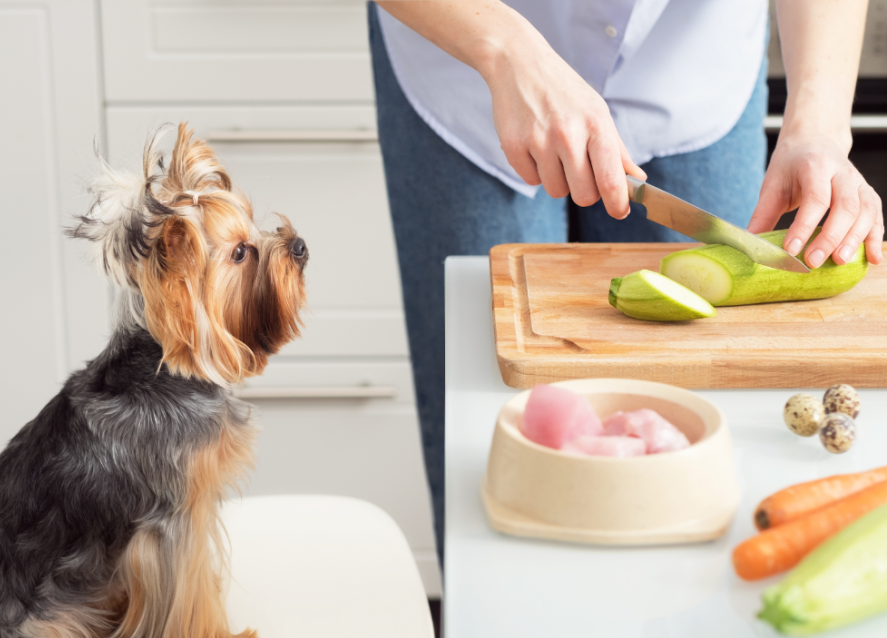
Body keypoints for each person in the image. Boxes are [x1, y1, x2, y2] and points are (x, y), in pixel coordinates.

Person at [368, 0, 885, 565]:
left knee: (703, 443)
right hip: (464, 50)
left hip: (691, 55)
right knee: (484, 433)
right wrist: (505, 50)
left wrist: (819, 126)